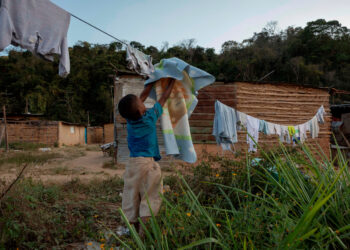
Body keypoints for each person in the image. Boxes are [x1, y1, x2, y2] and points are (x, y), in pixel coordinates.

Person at [118, 78, 176, 236]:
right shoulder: (150, 118)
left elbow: (141, 97)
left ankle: (130, 233)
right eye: (142, 103)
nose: (144, 102)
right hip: (148, 165)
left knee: (131, 196)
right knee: (149, 199)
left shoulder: (130, 120)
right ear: (140, 111)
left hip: (132, 165)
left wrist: (151, 81)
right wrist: (172, 82)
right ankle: (143, 238)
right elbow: (163, 98)